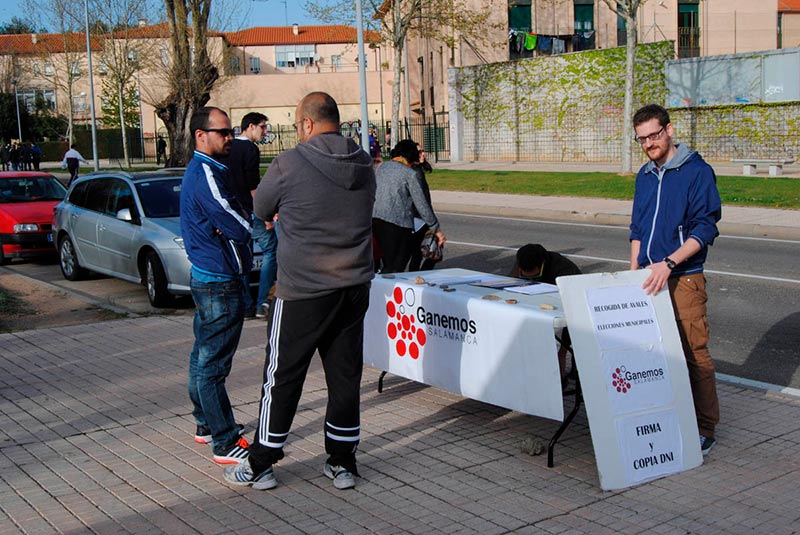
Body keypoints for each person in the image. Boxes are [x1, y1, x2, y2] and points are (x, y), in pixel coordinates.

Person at [224, 91, 375, 491]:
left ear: (306, 124)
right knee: (345, 376)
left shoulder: (290, 162)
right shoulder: (364, 162)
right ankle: (342, 462)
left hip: (302, 288)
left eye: (295, 125)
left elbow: (260, 210)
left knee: (283, 375)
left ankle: (261, 462)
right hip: (354, 285)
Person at [629, 103, 721, 456]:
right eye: (642, 139)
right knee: (657, 353)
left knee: (693, 354)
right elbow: (638, 227)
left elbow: (705, 227)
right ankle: (671, 414)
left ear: (669, 131)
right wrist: (634, 270)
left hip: (683, 277)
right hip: (649, 276)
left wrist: (669, 263)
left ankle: (705, 428)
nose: (649, 143)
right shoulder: (645, 176)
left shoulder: (697, 172)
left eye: (654, 134)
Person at [180, 106, 253, 465]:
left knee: (203, 356)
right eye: (223, 132)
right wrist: (243, 224)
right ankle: (224, 441)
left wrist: (231, 225)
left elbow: (228, 221)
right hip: (219, 281)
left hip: (209, 278)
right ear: (201, 135)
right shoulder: (205, 173)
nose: (229, 138)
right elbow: (237, 222)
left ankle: (206, 423)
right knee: (213, 365)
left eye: (231, 131)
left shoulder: (208, 170)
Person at [222, 112, 276, 320]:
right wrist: (267, 216)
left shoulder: (228, 148)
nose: (265, 132)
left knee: (243, 256)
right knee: (271, 250)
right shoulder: (250, 150)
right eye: (263, 127)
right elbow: (253, 189)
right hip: (250, 209)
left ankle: (245, 304)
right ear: (251, 126)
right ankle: (262, 301)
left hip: (233, 211)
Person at [510, 243, 582, 383]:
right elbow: (510, 285)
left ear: (543, 263)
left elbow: (574, 307)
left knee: (563, 349)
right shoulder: (523, 263)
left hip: (570, 307)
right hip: (538, 308)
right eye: (526, 277)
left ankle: (566, 377)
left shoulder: (565, 270)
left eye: (535, 275)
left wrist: (562, 353)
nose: (531, 279)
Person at [372, 139, 446, 273]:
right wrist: (436, 228)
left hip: (376, 221)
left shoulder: (381, 168)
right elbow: (422, 204)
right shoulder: (410, 174)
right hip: (398, 224)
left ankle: (380, 289)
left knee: (388, 262)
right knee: (397, 265)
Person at [407, 144, 438, 272]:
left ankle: (417, 275)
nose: (423, 154)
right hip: (418, 219)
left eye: (423, 151)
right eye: (419, 152)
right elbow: (419, 200)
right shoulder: (414, 173)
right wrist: (432, 221)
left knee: (420, 252)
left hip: (420, 218)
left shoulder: (418, 171)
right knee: (431, 250)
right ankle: (418, 276)